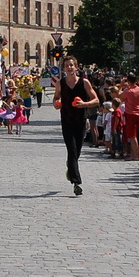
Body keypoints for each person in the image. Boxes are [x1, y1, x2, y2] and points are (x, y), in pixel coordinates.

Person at [55, 59, 99, 196]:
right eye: (66, 66)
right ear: (63, 68)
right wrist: (56, 103)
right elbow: (56, 98)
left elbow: (96, 100)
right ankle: (76, 183)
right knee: (72, 150)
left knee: (77, 151)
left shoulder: (84, 82)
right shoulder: (60, 83)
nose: (69, 67)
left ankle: (71, 166)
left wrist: (84, 104)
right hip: (66, 120)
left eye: (71, 65)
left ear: (76, 67)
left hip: (80, 120)